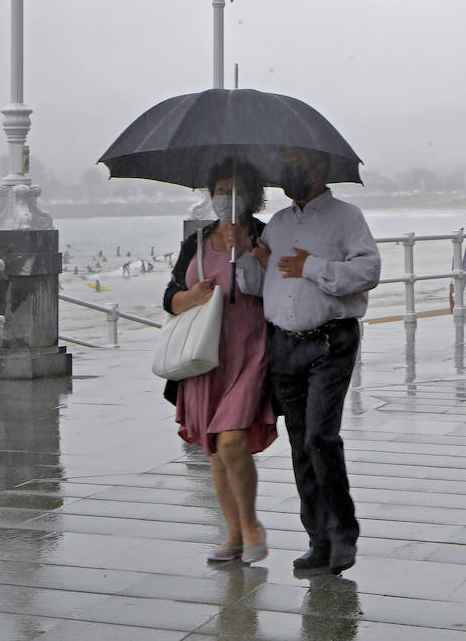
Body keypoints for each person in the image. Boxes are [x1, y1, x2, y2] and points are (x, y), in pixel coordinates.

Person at [235, 147, 380, 575]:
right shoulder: (277, 224)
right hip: (285, 345)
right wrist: (248, 257)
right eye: (284, 164)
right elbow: (262, 287)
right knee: (300, 444)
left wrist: (311, 266)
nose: (288, 172)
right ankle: (316, 537)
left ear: (320, 169)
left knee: (321, 436)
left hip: (330, 342)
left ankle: (341, 534)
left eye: (296, 164)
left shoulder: (346, 217)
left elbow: (369, 271)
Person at [163, 159, 277, 564]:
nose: (226, 197)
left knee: (232, 440)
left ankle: (251, 525)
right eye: (220, 188)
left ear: (251, 195)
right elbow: (171, 298)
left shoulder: (265, 236)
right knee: (214, 448)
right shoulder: (195, 241)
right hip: (206, 355)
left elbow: (274, 290)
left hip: (250, 351)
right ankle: (231, 534)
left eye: (235, 188)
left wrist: (245, 253)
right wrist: (191, 296)